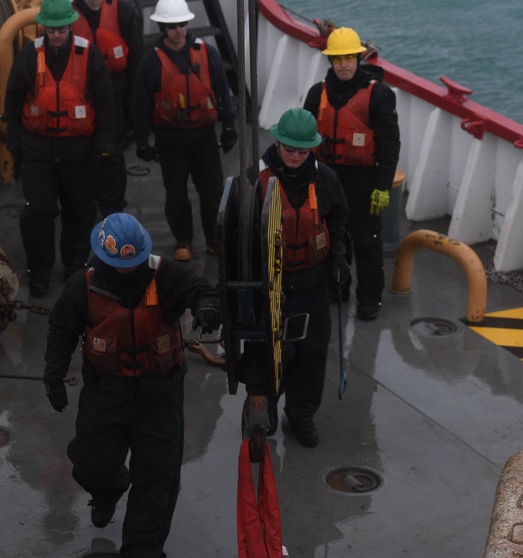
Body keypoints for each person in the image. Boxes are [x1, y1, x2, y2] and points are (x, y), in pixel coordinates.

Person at [42, 212, 222, 558]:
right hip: (105, 394)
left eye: (133, 264)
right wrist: (54, 375)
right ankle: (107, 490)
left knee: (158, 475)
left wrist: (207, 307)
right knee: (92, 463)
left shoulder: (165, 275)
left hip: (160, 394)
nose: (127, 271)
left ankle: (144, 548)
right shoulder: (83, 286)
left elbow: (201, 289)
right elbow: (61, 328)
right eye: (118, 265)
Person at [2, 0, 115, 297]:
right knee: (38, 210)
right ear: (44, 27)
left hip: (78, 150)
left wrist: (104, 144)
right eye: (51, 30)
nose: (56, 36)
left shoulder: (90, 56)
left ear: (70, 25)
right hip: (37, 149)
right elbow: (13, 99)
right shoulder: (29, 56)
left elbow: (105, 103)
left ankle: (75, 262)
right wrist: (14, 142)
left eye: (62, 29)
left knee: (79, 209)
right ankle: (39, 269)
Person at [256, 108, 349, 448]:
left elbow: (338, 219)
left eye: (302, 150)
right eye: (289, 148)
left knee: (311, 353)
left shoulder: (326, 179)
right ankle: (264, 408)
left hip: (312, 283)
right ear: (278, 143)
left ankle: (301, 414)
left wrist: (339, 258)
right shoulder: (256, 180)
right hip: (270, 285)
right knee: (271, 354)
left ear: (312, 148)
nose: (295, 156)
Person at [302, 26, 400, 321]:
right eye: (338, 59)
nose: (344, 64)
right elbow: (304, 140)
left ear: (358, 58)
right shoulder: (316, 93)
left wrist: (383, 187)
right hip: (326, 178)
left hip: (364, 181)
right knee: (331, 237)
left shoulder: (379, 95)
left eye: (349, 58)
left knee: (367, 240)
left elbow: (389, 144)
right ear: (330, 61)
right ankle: (336, 286)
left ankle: (369, 297)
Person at [131, 0, 237, 262]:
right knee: (176, 195)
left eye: (182, 24)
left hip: (204, 137)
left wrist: (229, 125)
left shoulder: (207, 53)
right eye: (172, 26)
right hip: (170, 141)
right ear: (162, 27)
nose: (178, 30)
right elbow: (141, 104)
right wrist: (143, 141)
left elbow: (222, 91)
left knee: (212, 193)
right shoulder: (150, 62)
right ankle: (183, 240)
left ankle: (215, 240)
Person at [71, 0, 143, 217]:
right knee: (83, 157)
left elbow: (136, 62)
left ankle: (113, 211)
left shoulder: (124, 11)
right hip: (80, 101)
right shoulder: (68, 16)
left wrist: (132, 110)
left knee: (109, 154)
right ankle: (85, 208)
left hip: (115, 99)